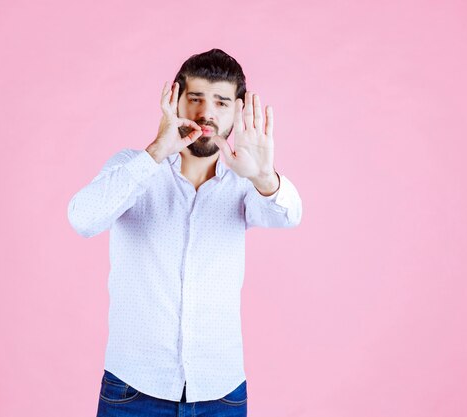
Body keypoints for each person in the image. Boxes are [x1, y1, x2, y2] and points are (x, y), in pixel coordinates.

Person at [67, 48, 303, 417]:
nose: (206, 113)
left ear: (237, 111)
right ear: (176, 101)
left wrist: (262, 176)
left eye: (221, 102)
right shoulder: (133, 167)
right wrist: (157, 151)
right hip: (132, 390)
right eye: (195, 99)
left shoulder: (244, 184)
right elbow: (83, 219)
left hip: (220, 393)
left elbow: (288, 215)